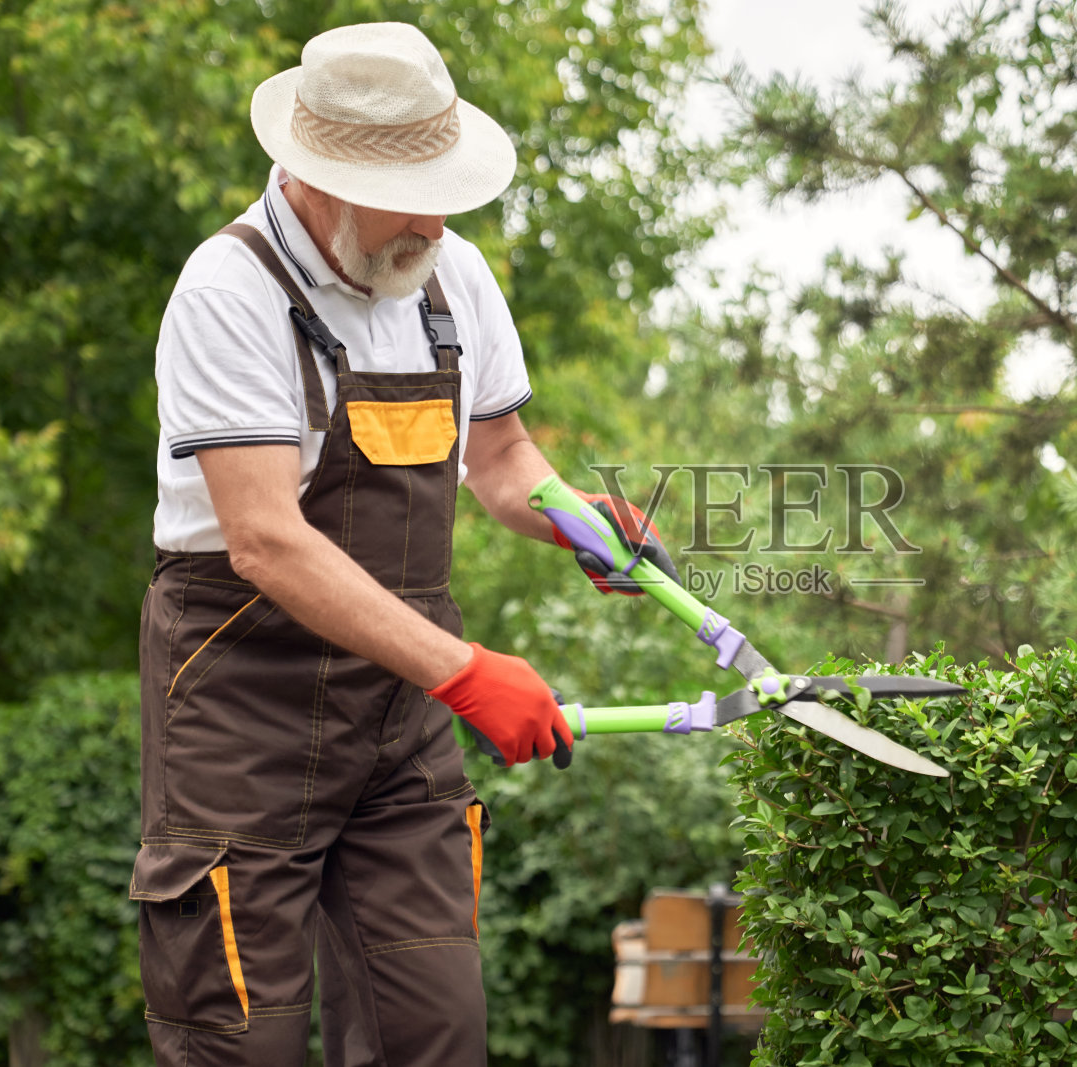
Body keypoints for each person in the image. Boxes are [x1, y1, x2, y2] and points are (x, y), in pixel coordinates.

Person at [133, 22, 676, 1066]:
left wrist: (577, 522)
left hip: (398, 722)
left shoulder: (448, 273)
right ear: (317, 174)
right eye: (412, 190)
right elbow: (265, 541)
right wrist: (468, 673)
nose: (435, 217)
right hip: (241, 710)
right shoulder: (227, 292)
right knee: (237, 1039)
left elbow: (505, 457)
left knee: (434, 1031)